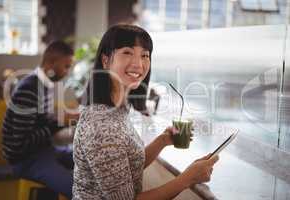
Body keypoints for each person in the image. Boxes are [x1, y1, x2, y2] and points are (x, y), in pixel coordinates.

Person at [72, 24, 219, 200]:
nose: (138, 64)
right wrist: (187, 178)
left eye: (145, 55)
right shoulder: (102, 126)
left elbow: (126, 167)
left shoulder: (118, 109)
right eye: (127, 52)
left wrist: (163, 140)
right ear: (105, 60)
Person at [2, 40, 78, 199]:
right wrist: (60, 122)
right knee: (79, 189)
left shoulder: (44, 85)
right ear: (51, 63)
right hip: (26, 159)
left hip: (44, 150)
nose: (67, 72)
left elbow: (41, 124)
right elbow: (19, 144)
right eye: (66, 66)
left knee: (85, 156)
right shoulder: (29, 89)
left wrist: (62, 119)